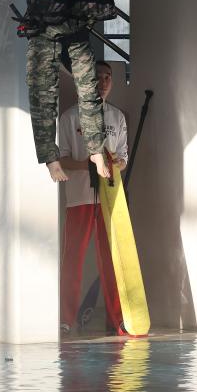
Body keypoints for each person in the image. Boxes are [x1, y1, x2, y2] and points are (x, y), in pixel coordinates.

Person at [25, 0, 114, 183]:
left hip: (75, 27)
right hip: (44, 29)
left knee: (89, 90)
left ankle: (96, 150)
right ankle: (50, 158)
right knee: (43, 94)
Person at [59, 61, 128, 335]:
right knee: (73, 258)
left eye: (108, 77)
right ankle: (66, 318)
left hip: (110, 199)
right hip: (79, 197)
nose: (103, 82)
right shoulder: (69, 117)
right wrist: (88, 165)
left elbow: (122, 158)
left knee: (112, 260)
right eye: (97, 77)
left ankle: (117, 318)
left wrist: (111, 166)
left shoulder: (117, 118)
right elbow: (62, 161)